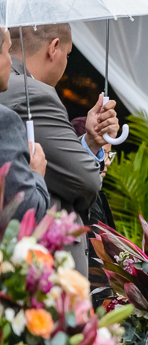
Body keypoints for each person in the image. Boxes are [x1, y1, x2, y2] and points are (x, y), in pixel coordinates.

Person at [0, 24, 117, 271]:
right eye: (68, 52)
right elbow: (85, 180)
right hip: (39, 267)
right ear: (54, 48)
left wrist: (91, 141)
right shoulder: (33, 94)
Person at [0, 27, 49, 220]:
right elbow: (25, 210)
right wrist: (36, 173)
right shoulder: (5, 122)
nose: (11, 61)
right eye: (7, 51)